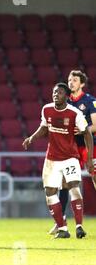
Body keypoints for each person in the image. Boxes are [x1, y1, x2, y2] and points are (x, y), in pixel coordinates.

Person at [22, 82, 94, 239]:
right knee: (50, 193)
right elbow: (44, 127)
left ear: (66, 96)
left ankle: (79, 226)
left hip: (70, 158)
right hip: (52, 159)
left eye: (60, 92)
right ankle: (62, 229)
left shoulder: (75, 113)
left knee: (74, 186)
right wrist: (31, 138)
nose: (56, 95)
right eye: (54, 92)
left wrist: (89, 158)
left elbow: (87, 134)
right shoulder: (46, 109)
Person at [49, 70, 96, 235]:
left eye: (75, 80)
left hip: (89, 146)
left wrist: (82, 129)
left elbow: (95, 126)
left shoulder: (90, 101)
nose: (71, 82)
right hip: (70, 148)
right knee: (63, 184)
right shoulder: (65, 102)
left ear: (82, 83)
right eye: (69, 79)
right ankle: (61, 222)